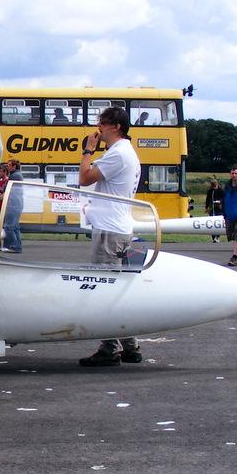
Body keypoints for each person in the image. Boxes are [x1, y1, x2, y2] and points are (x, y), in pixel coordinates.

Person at [77, 106, 142, 367]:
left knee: (103, 289)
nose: (98, 129)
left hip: (109, 231)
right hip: (119, 227)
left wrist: (87, 151)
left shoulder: (117, 154)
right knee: (116, 290)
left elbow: (84, 178)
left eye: (101, 124)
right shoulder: (126, 152)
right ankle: (129, 345)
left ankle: (109, 348)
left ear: (115, 126)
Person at [1, 159, 24, 253]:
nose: (7, 167)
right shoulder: (16, 174)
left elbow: (6, 188)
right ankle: (16, 246)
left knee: (8, 227)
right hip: (16, 204)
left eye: (9, 165)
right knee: (15, 227)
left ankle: (14, 246)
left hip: (13, 204)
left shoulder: (15, 175)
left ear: (14, 166)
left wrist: (3, 190)